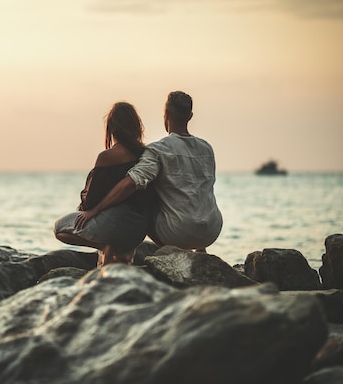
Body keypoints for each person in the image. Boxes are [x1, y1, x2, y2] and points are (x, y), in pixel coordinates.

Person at [75, 91, 222, 252]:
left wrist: (95, 210)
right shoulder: (207, 148)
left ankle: (119, 249)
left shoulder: (159, 149)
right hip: (211, 231)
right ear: (190, 116)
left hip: (177, 233)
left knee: (145, 206)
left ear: (166, 114)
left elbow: (131, 183)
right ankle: (200, 253)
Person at [54, 102, 152, 267]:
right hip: (139, 230)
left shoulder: (107, 157)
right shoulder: (148, 156)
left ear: (112, 129)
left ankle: (105, 247)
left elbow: (91, 201)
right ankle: (116, 253)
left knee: (59, 227)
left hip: (116, 226)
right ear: (136, 126)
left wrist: (84, 206)